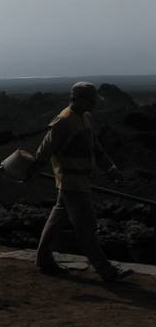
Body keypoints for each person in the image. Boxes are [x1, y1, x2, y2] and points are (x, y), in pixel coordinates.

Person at [30, 81, 133, 281]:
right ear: (78, 99)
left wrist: (110, 168)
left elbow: (95, 147)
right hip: (71, 182)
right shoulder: (64, 121)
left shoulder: (85, 118)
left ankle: (43, 258)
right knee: (87, 227)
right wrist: (32, 169)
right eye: (91, 100)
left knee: (56, 220)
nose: (94, 104)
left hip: (79, 180)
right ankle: (106, 271)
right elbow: (45, 149)